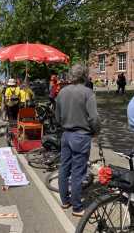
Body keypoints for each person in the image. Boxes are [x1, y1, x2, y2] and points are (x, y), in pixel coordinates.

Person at [55, 62, 101, 217]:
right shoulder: (88, 93)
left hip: (66, 134)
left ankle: (65, 200)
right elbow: (94, 118)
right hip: (81, 136)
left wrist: (66, 124)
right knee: (78, 173)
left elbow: (57, 115)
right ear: (84, 75)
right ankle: (77, 207)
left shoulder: (62, 92)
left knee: (64, 169)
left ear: (71, 76)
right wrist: (96, 132)